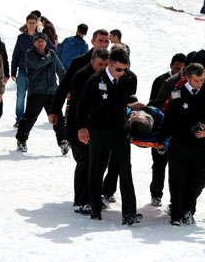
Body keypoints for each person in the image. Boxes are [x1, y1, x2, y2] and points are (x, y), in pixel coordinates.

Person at [76, 48, 142, 225]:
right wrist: (82, 127)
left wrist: (133, 107)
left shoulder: (125, 80)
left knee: (125, 170)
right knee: (97, 169)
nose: (122, 73)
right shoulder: (95, 80)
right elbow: (81, 106)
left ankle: (129, 213)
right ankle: (95, 208)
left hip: (119, 132)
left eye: (124, 69)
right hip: (99, 131)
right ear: (110, 65)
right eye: (119, 69)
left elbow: (122, 104)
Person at [156, 63, 205, 226]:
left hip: (201, 145)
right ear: (187, 78)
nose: (199, 84)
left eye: (201, 80)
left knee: (198, 180)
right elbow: (169, 118)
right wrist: (161, 139)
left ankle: (189, 209)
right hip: (179, 144)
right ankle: (177, 213)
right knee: (177, 180)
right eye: (195, 81)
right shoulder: (178, 94)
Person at [49, 48, 110, 214]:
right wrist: (54, 110)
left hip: (96, 129)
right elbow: (80, 105)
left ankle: (93, 197)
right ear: (92, 62)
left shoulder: (106, 77)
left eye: (106, 64)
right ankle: (80, 200)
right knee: (84, 161)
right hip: (78, 127)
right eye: (100, 64)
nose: (103, 67)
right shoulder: (81, 76)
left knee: (96, 163)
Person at [16, 33, 66, 153]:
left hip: (52, 91)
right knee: (30, 118)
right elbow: (38, 65)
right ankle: (21, 140)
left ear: (46, 42)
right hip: (37, 91)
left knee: (58, 117)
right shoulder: (30, 54)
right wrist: (48, 57)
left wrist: (65, 87)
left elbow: (61, 71)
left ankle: (64, 141)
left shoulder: (52, 53)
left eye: (42, 41)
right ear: (34, 42)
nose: (40, 43)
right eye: (37, 41)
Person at [147, 53, 185, 206]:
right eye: (177, 68)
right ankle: (156, 193)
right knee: (159, 164)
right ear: (171, 65)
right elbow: (154, 104)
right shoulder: (161, 81)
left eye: (182, 69)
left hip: (178, 132)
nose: (179, 71)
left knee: (177, 167)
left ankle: (175, 199)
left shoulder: (187, 83)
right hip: (162, 128)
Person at [11, 13, 55, 128]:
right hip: (22, 71)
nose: (31, 25)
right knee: (20, 97)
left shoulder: (41, 36)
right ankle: (19, 119)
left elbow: (53, 49)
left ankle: (27, 119)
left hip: (37, 73)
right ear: (26, 23)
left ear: (37, 24)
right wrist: (12, 72)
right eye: (29, 22)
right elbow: (16, 55)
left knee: (33, 98)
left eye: (33, 23)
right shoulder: (21, 38)